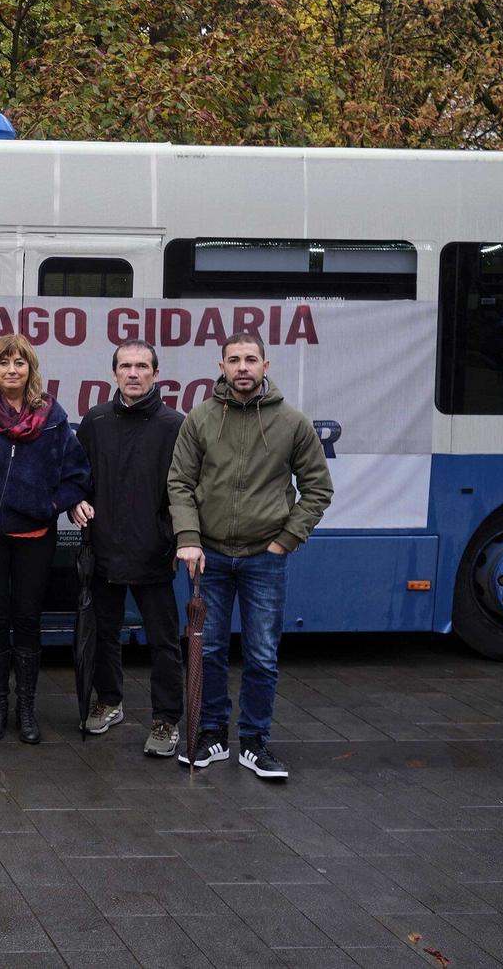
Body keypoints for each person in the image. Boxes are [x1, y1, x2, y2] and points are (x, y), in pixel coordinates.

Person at [168, 333, 333, 781]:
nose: (243, 367)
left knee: (261, 655)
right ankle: (213, 735)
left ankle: (255, 742)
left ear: (266, 365)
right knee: (212, 650)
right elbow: (179, 482)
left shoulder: (292, 423)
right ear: (220, 366)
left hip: (265, 558)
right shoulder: (200, 418)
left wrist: (285, 541)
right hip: (210, 558)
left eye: (251, 359)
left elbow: (318, 489)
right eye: (234, 360)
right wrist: (189, 536)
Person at [0, 333, 89, 745]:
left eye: (20, 363)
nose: (12, 369)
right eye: (4, 362)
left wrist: (51, 503)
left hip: (35, 533)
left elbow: (77, 474)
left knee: (27, 619)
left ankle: (26, 710)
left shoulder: (53, 416)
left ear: (31, 369)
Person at [70, 342, 186, 758]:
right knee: (103, 634)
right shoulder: (96, 420)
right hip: (103, 550)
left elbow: (187, 490)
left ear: (156, 374)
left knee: (164, 642)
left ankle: (166, 720)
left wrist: (175, 539)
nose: (133, 373)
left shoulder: (175, 424)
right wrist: (74, 502)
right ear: (114, 373)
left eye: (142, 366)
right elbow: (76, 476)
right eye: (125, 366)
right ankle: (109, 701)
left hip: (154, 553)